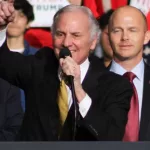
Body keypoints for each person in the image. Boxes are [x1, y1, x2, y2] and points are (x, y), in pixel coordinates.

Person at [0, 1, 133, 141]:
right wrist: (1, 27)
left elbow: (111, 137)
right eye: (60, 34)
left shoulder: (115, 86)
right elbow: (3, 62)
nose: (66, 42)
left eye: (76, 35)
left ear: (93, 41)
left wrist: (79, 92)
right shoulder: (41, 64)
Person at [109, 6, 150, 141]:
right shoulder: (90, 83)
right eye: (117, 31)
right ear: (108, 35)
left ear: (146, 36)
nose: (125, 37)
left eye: (132, 30)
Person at [6, 0, 38, 112]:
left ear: (28, 22)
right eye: (11, 15)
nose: (14, 20)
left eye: (21, 15)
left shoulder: (38, 57)